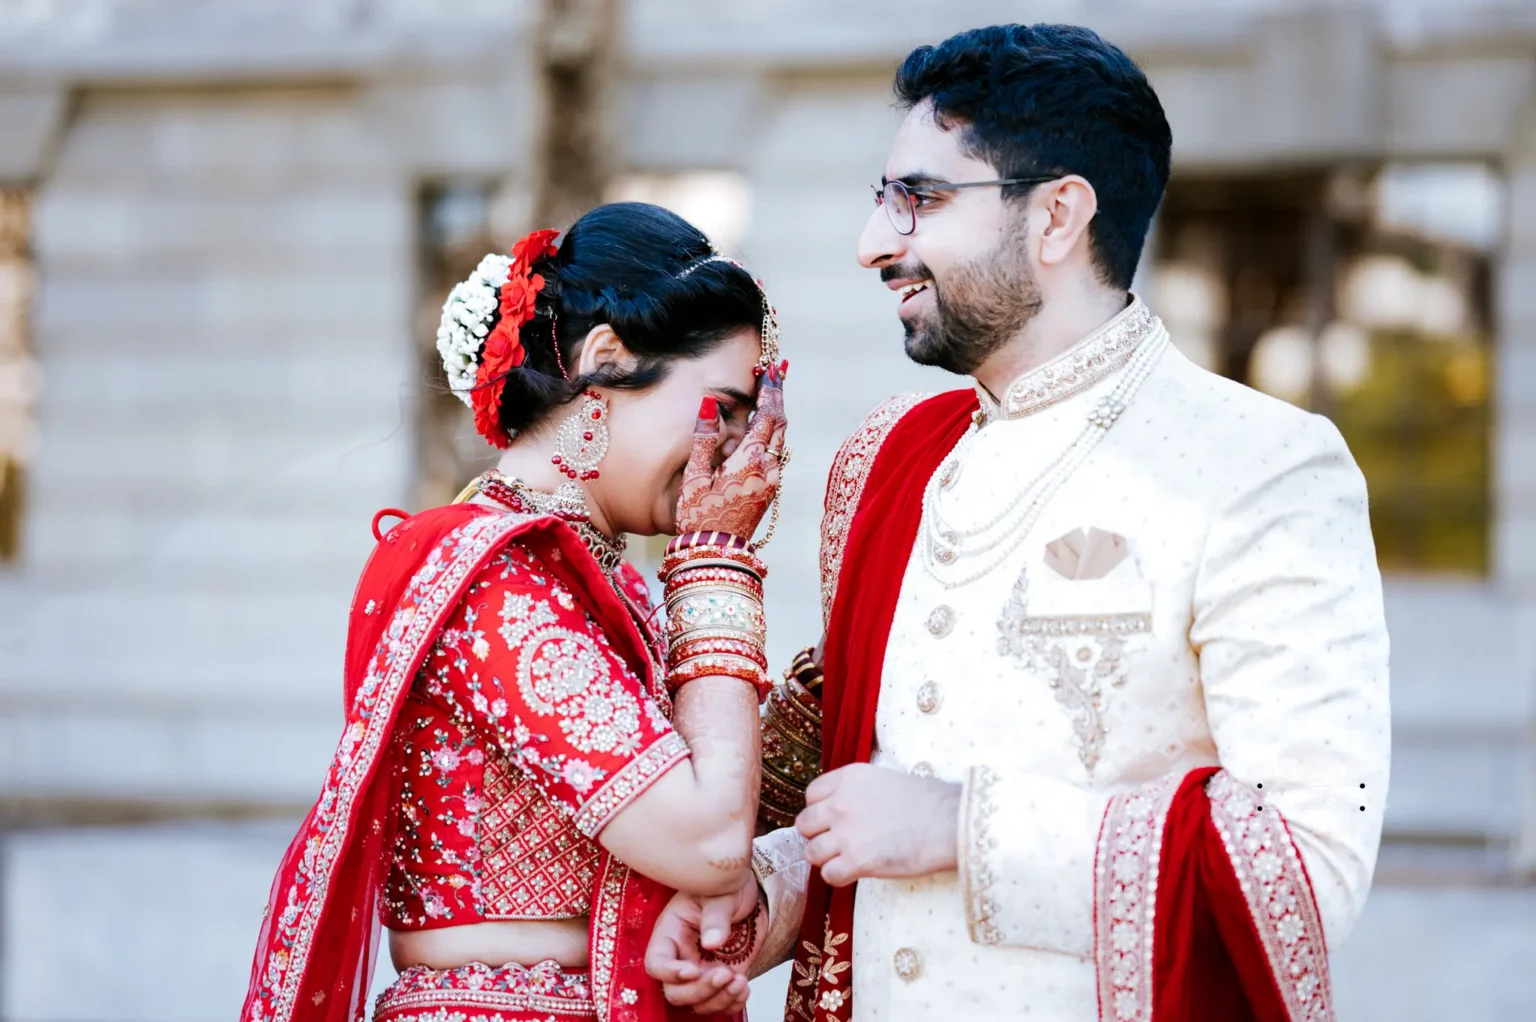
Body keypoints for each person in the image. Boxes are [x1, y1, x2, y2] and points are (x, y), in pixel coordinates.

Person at [646, 24, 1389, 1022]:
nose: (874, 243)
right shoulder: (888, 460)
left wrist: (966, 827)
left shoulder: (1262, 468)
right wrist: (766, 895)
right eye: (880, 198)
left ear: (1057, 214)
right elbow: (847, 781)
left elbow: (1302, 873)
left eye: (916, 198)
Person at [243, 201, 790, 1022]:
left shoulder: (610, 587)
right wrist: (719, 561)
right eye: (725, 406)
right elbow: (708, 843)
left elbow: (716, 827)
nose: (744, 451)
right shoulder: (493, 581)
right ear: (605, 359)